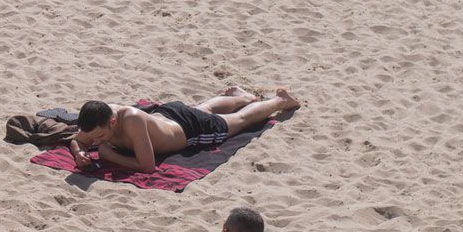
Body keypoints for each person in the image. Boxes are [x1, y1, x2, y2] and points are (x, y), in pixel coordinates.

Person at [72, 90, 296, 173]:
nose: (95, 141)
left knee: (238, 120)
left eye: (99, 136)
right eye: (93, 137)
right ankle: (241, 96)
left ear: (112, 122)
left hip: (189, 131)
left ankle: (279, 101)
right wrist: (79, 152)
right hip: (168, 117)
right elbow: (78, 140)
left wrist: (112, 156)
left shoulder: (132, 119)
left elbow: (148, 166)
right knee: (203, 109)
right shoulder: (95, 120)